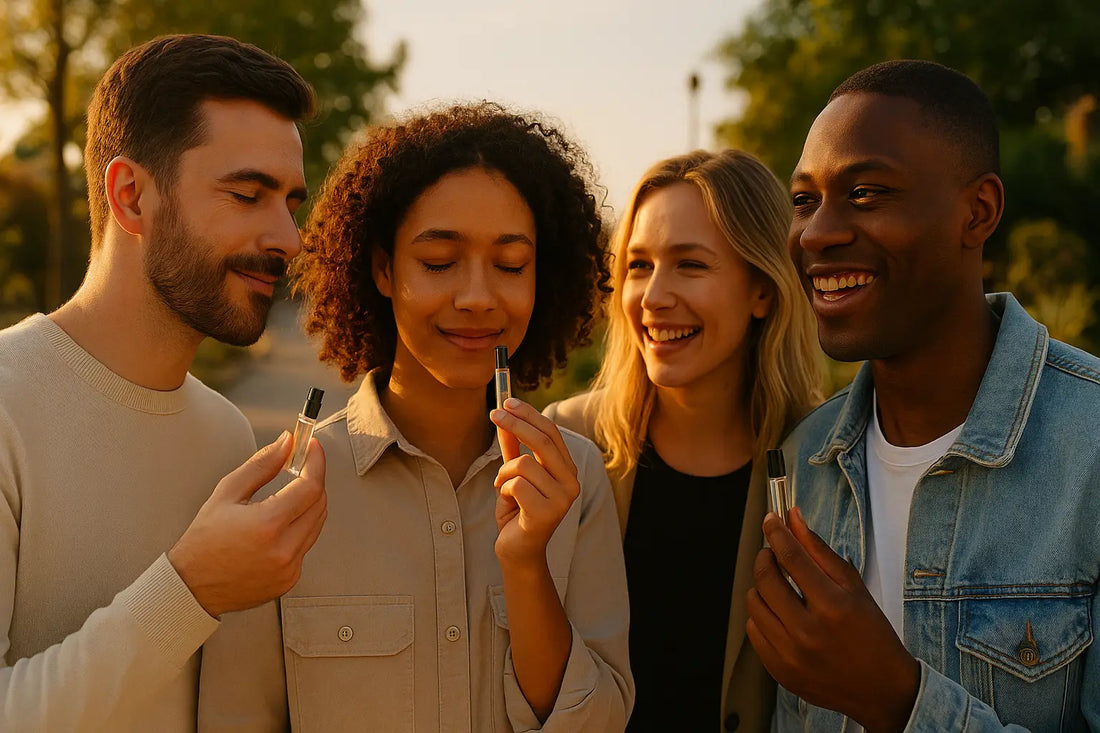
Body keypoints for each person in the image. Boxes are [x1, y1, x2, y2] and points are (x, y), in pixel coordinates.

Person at [198, 102, 633, 731]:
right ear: (382, 268)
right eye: (437, 262)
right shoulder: (285, 495)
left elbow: (599, 722)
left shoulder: (576, 478)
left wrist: (527, 564)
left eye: (511, 265)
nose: (478, 297)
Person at [747, 59, 1100, 731]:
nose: (817, 233)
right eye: (804, 199)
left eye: (866, 193)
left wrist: (897, 699)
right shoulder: (804, 460)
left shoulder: (1091, 447)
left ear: (979, 211)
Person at [0, 35, 328, 730]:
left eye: (291, 202)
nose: (288, 237)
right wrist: (190, 588)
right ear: (131, 196)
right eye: (248, 194)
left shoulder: (226, 434)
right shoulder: (7, 404)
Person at [544, 149, 823, 732]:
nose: (653, 297)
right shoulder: (570, 443)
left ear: (763, 291)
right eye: (639, 266)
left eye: (690, 265)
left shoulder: (825, 461)